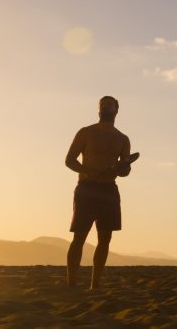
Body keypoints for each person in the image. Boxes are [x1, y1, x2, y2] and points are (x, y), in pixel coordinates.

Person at [65, 95, 133, 289]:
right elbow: (69, 160)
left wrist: (123, 168)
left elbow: (126, 171)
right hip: (87, 189)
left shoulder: (123, 139)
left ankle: (95, 284)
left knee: (105, 238)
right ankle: (71, 283)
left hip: (109, 190)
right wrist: (90, 172)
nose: (105, 106)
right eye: (102, 104)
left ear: (116, 109)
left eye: (109, 104)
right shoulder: (86, 133)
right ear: (98, 110)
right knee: (79, 236)